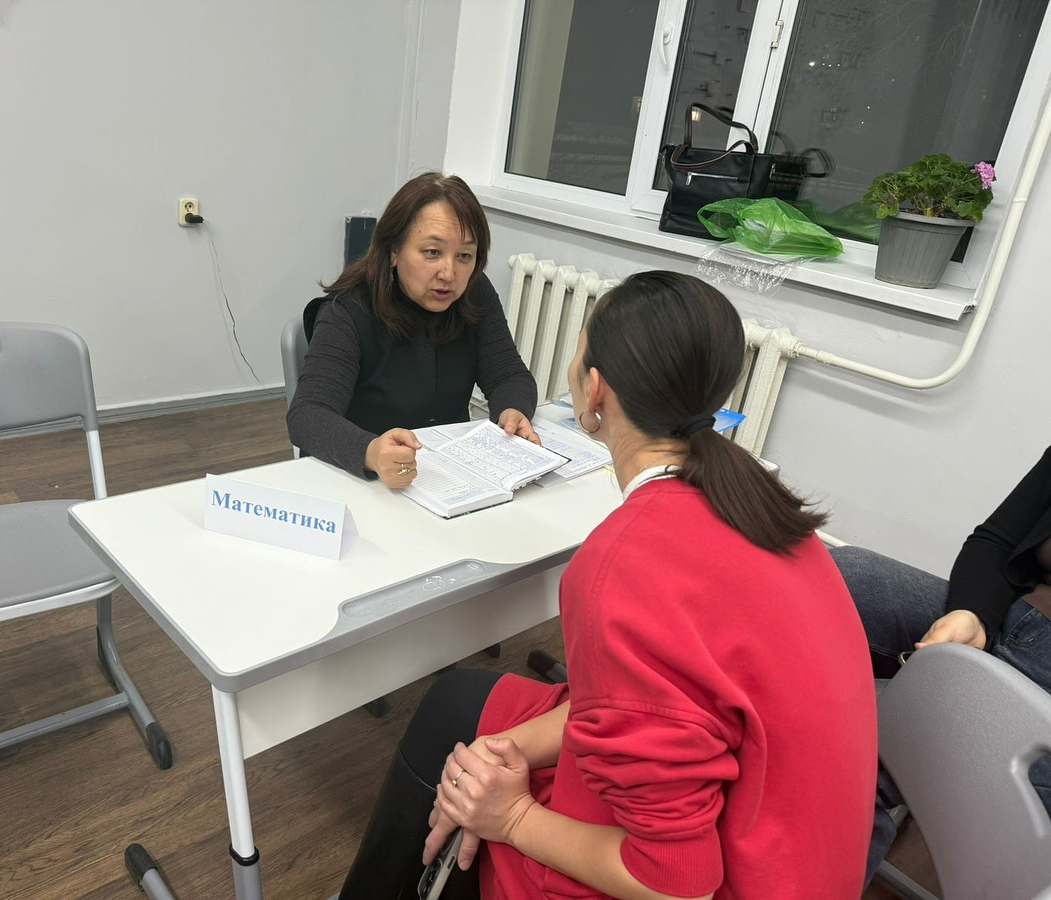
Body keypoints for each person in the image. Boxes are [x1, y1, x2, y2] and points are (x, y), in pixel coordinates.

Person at [337, 271, 878, 900]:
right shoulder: (762, 504)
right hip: (792, 844)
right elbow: (661, 697)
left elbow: (679, 885)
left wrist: (511, 817)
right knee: (461, 712)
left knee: (468, 795)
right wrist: (494, 752)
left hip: (724, 876)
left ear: (594, 391)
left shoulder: (620, 567)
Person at [832, 445, 1051, 882]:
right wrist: (973, 613)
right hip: (1019, 615)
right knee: (840, 577)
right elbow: (997, 541)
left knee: (849, 743)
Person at [286, 171, 539, 488]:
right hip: (366, 482)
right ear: (394, 250)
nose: (449, 273)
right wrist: (370, 451)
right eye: (432, 252)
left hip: (448, 476)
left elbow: (508, 374)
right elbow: (307, 415)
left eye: (464, 256)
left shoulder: (474, 293)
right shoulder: (347, 311)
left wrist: (512, 411)